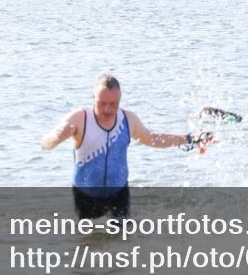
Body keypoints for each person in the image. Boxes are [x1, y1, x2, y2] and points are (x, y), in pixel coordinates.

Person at [41, 74, 213, 219]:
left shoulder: (128, 119)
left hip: (119, 193)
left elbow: (152, 138)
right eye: (101, 103)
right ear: (93, 98)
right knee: (88, 242)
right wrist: (56, 138)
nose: (107, 109)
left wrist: (189, 138)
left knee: (123, 241)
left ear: (119, 100)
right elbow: (45, 144)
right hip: (85, 196)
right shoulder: (80, 118)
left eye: (113, 104)